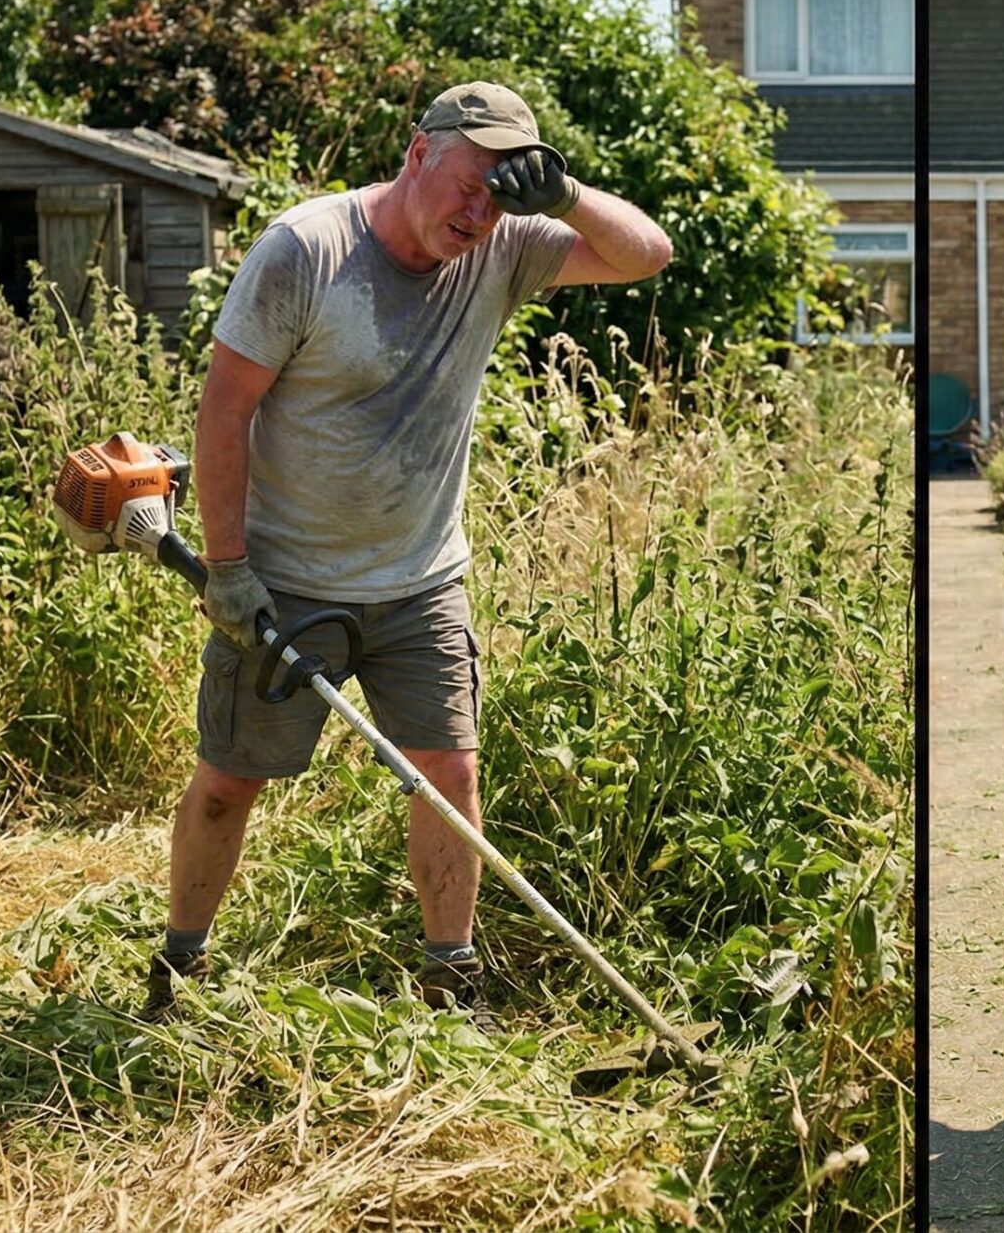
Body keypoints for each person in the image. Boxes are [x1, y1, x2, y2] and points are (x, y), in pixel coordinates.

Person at [146, 81, 674, 1018]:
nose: (479, 213)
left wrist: (561, 196)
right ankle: (179, 969)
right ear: (418, 153)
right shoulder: (305, 250)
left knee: (449, 771)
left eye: (501, 193)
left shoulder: (507, 244)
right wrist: (227, 570)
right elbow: (225, 410)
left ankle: (451, 981)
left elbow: (646, 256)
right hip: (285, 580)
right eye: (469, 184)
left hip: (422, 580)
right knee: (230, 780)